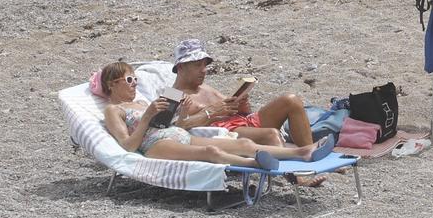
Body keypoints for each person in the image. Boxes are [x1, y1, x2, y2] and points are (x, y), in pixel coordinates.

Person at [96, 61, 324, 170]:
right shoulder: (113, 110)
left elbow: (179, 125)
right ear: (111, 84)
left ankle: (302, 151)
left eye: (136, 79)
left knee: (243, 142)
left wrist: (180, 114)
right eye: (129, 80)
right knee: (211, 151)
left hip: (175, 133)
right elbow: (127, 146)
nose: (134, 84)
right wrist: (146, 117)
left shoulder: (143, 101)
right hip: (155, 143)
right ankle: (256, 164)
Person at [168, 38, 314, 148]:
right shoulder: (172, 94)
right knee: (271, 134)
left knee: (291, 101)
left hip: (244, 123)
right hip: (226, 134)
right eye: (197, 65)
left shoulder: (204, 86)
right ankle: (297, 174)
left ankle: (310, 153)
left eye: (205, 65)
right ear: (181, 67)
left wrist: (242, 105)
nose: (204, 70)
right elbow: (171, 131)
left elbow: (238, 112)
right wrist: (210, 113)